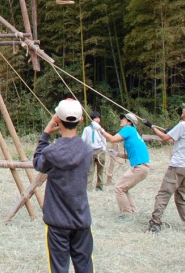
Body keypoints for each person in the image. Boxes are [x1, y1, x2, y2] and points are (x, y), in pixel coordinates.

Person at [33, 98, 93, 273]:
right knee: (85, 267)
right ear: (80, 121)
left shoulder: (51, 152)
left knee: (59, 268)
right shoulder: (88, 151)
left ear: (57, 120)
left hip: (57, 221)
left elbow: (37, 162)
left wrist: (46, 134)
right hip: (81, 218)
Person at [145, 103, 185, 235]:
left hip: (177, 166)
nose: (183, 109)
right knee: (181, 198)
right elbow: (174, 140)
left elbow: (164, 139)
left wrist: (151, 126)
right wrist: (169, 132)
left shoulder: (183, 125)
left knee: (163, 194)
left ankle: (155, 223)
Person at [97, 113, 150, 214]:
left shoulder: (128, 129)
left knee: (119, 188)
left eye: (123, 119)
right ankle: (133, 212)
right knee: (123, 189)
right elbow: (131, 156)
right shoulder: (133, 132)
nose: (121, 120)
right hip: (142, 167)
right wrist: (116, 154)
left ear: (129, 122)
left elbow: (112, 139)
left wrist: (100, 129)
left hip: (139, 167)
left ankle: (126, 214)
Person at [81, 111, 107, 191]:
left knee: (100, 171)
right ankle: (88, 188)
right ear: (92, 119)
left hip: (100, 151)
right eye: (96, 118)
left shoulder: (101, 129)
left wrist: (104, 149)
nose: (97, 119)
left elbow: (104, 140)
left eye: (98, 118)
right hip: (90, 151)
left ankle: (99, 187)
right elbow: (83, 140)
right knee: (90, 171)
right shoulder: (87, 129)